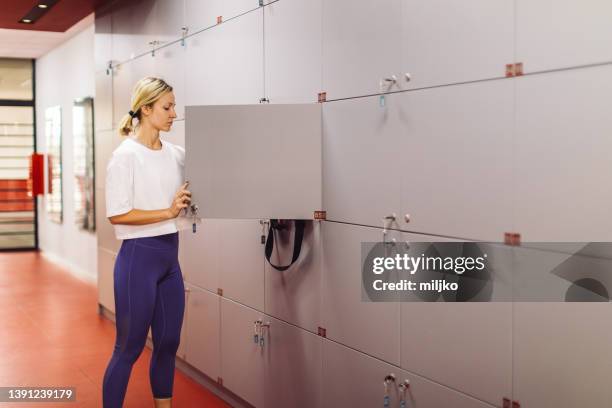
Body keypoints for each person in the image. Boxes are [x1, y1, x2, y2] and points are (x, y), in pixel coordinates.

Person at [102, 77, 191, 408]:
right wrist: (168, 210)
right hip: (138, 260)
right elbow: (117, 214)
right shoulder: (125, 156)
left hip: (170, 259)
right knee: (129, 347)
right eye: (167, 107)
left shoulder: (176, 154)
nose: (173, 114)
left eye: (174, 106)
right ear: (146, 108)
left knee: (168, 342)